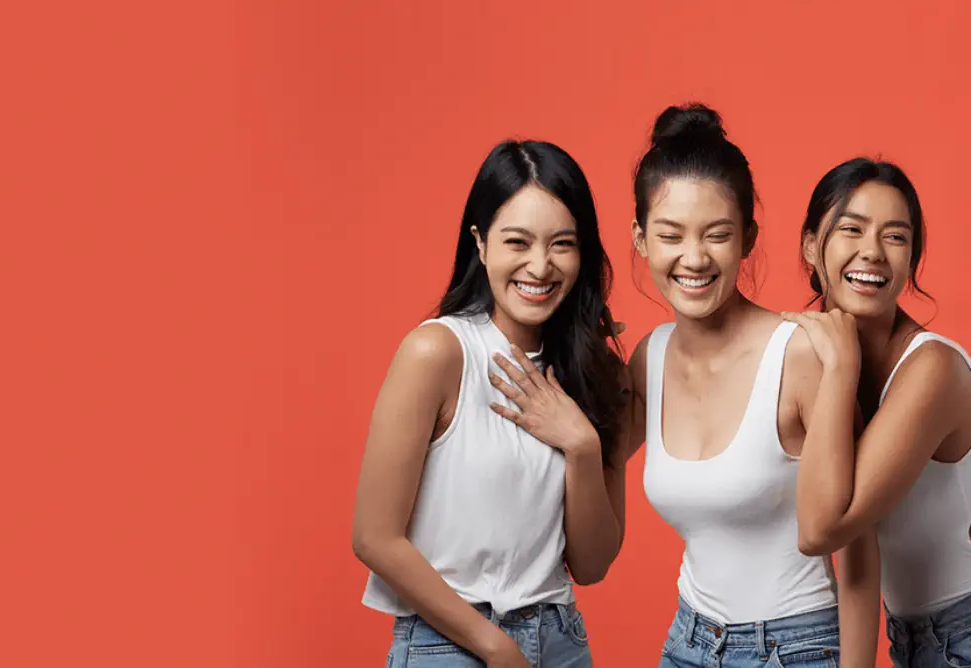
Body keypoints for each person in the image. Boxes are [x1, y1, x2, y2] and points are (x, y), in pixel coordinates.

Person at [550, 102, 878, 668]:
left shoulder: (798, 354)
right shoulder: (647, 361)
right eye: (670, 234)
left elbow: (859, 546)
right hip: (688, 644)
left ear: (748, 237)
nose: (693, 258)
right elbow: (573, 477)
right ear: (640, 238)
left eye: (717, 235)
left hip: (796, 649)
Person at [783, 157, 971, 667]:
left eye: (895, 237)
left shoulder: (932, 369)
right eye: (851, 228)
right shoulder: (823, 363)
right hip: (913, 640)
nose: (871, 251)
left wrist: (840, 365)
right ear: (811, 245)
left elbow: (823, 529)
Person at [351, 138, 625, 668]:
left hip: (562, 639)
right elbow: (374, 538)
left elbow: (590, 566)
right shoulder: (438, 352)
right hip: (449, 644)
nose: (540, 267)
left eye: (562, 244)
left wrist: (582, 444)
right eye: (517, 242)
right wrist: (494, 646)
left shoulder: (594, 372)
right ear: (479, 243)